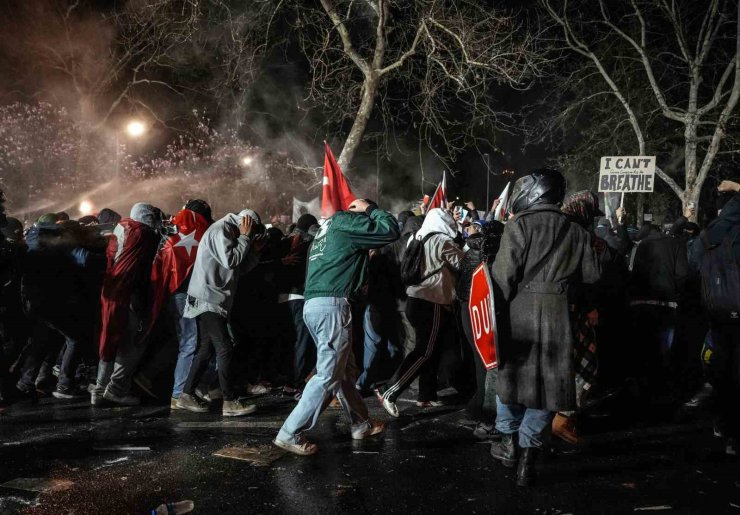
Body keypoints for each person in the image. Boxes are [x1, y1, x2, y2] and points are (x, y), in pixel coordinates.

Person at [489, 169, 600, 487]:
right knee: (548, 391)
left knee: (509, 380)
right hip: (558, 318)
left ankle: (509, 443)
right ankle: (528, 461)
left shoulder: (519, 225)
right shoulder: (577, 232)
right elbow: (591, 278)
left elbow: (502, 279)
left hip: (518, 316)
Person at [273, 198, 399, 456]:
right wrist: (371, 210)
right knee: (329, 374)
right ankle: (289, 432)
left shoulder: (326, 229)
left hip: (317, 304)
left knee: (345, 370)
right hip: (331, 305)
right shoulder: (347, 221)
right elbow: (390, 230)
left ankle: (361, 424)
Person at [376, 208, 465, 417]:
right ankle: (388, 390)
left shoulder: (416, 238)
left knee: (432, 348)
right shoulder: (442, 241)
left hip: (415, 300)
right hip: (431, 301)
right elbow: (464, 264)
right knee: (425, 351)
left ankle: (426, 395)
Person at [176, 209, 264, 417]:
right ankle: (230, 401)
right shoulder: (221, 231)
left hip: (212, 300)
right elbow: (231, 260)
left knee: (206, 349)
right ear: (247, 223)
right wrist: (244, 238)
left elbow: (239, 269)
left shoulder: (230, 233)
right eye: (253, 230)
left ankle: (187, 394)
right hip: (207, 298)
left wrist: (254, 251)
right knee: (224, 347)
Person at [134, 201, 212, 408]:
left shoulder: (171, 230)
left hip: (170, 293)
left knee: (179, 342)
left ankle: (150, 375)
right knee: (190, 342)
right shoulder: (196, 229)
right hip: (184, 294)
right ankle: (179, 394)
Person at [689, 179, 740, 456]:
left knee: (724, 375)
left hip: (717, 315)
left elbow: (694, 268)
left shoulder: (706, 237)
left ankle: (726, 425)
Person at [93, 203, 161, 406]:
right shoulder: (142, 233)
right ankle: (116, 389)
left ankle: (98, 389)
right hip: (129, 293)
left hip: (111, 290)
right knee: (133, 344)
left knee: (110, 340)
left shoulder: (121, 227)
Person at [457, 219, 504, 439]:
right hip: (484, 312)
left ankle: (475, 410)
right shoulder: (493, 257)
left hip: (468, 309)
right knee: (489, 365)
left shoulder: (469, 252)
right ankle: (484, 415)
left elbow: (460, 285)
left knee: (480, 363)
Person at [276, 214, 318, 397]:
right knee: (301, 341)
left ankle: (287, 379)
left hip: (282, 298)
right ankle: (295, 381)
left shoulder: (284, 242)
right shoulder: (309, 245)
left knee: (288, 339)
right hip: (300, 297)